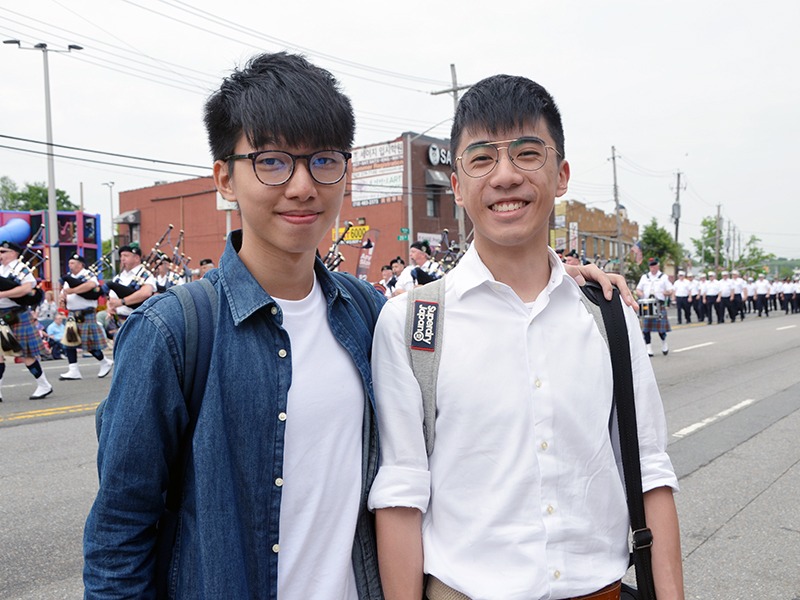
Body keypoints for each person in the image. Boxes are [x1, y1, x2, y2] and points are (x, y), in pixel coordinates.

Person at [83, 52, 386, 600]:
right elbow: (119, 533)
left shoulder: (368, 312)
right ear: (225, 177)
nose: (301, 186)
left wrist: (550, 273)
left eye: (323, 160)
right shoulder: (171, 333)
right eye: (272, 162)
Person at [368, 75, 683, 600]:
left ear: (560, 175)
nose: (506, 176)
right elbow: (402, 493)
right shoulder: (413, 323)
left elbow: (650, 471)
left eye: (527, 153)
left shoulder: (608, 316)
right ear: (457, 184)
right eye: (482, 159)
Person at [0, 240, 53, 400]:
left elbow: (27, 288)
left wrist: (2, 294)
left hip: (17, 314)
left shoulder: (21, 269)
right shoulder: (1, 269)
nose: (0, 254)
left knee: (26, 354)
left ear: (13, 253)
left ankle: (44, 385)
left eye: (2, 252)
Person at [58, 253, 114, 380]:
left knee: (89, 344)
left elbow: (91, 285)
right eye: (69, 263)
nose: (69, 265)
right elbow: (64, 293)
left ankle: (104, 362)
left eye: (72, 263)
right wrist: (63, 298)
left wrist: (72, 291)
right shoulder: (69, 278)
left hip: (85, 314)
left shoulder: (87, 274)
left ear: (80, 264)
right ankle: (74, 370)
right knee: (69, 343)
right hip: (72, 314)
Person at [105, 245, 156, 325]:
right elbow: (111, 299)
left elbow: (145, 293)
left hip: (139, 321)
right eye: (121, 256)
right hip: (120, 320)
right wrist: (109, 307)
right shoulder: (118, 277)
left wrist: (122, 302)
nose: (122, 259)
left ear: (137, 258)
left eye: (126, 255)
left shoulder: (145, 275)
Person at [636, 257, 674, 356]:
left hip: (659, 304)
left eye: (654, 267)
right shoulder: (645, 277)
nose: (652, 269)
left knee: (661, 329)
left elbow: (670, 290)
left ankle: (664, 343)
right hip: (646, 305)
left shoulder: (663, 277)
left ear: (658, 266)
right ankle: (649, 348)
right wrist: (639, 293)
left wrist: (667, 293)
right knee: (646, 329)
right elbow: (638, 289)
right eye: (651, 267)